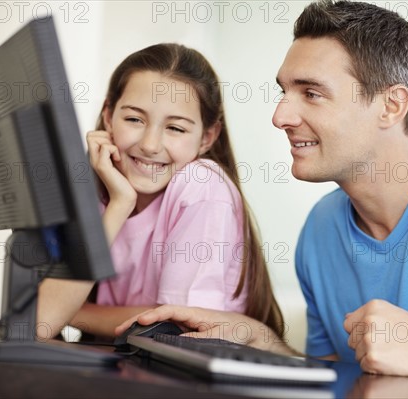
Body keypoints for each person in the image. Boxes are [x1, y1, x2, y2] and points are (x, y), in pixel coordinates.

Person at [116, 0, 408, 385]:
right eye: (284, 92)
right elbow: (337, 380)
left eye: (311, 93)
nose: (281, 115)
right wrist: (261, 341)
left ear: (391, 105)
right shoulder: (321, 231)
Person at [38, 43, 284, 340]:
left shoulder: (201, 184)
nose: (151, 144)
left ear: (207, 137)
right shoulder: (102, 191)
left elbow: (176, 326)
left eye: (176, 128)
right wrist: (120, 203)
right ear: (108, 116)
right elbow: (44, 322)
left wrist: (71, 309)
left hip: (187, 378)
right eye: (134, 119)